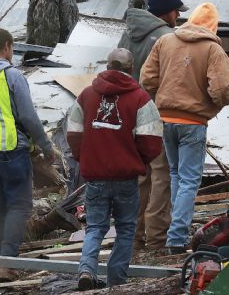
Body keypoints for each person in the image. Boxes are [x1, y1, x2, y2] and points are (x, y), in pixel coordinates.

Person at [140, 2, 229, 254]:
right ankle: (177, 238)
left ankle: (175, 230)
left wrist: (160, 102)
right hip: (192, 124)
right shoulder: (213, 49)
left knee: (175, 176)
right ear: (213, 26)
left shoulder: (165, 41)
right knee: (189, 180)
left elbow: (147, 79)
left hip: (165, 121)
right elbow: (223, 89)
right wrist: (216, 104)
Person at [67, 48, 163, 289]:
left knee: (96, 228)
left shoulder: (86, 96)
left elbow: (73, 133)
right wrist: (136, 161)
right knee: (126, 229)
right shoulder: (141, 99)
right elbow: (152, 142)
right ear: (132, 69)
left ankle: (87, 269)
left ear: (107, 66)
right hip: (125, 178)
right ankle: (117, 281)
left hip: (96, 178)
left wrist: (85, 158)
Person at [0, 28, 56, 282]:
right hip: (13, 152)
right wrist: (46, 148)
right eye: (12, 48)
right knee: (19, 206)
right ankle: (7, 264)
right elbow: (28, 116)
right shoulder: (12, 75)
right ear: (6, 46)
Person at [118, 0, 188, 250]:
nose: (177, 17)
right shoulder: (167, 37)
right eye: (175, 12)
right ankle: (157, 236)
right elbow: (171, 81)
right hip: (156, 115)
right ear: (165, 13)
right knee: (162, 174)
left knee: (140, 175)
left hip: (129, 114)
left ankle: (134, 236)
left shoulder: (127, 33)